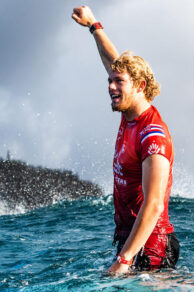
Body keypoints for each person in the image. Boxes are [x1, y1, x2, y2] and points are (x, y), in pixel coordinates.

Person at [72, 6, 179, 274]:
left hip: (150, 249)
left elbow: (153, 205)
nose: (110, 86)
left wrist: (124, 260)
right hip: (130, 241)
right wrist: (93, 25)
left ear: (140, 86)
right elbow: (112, 60)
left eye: (118, 81)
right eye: (109, 80)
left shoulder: (153, 135)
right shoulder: (129, 113)